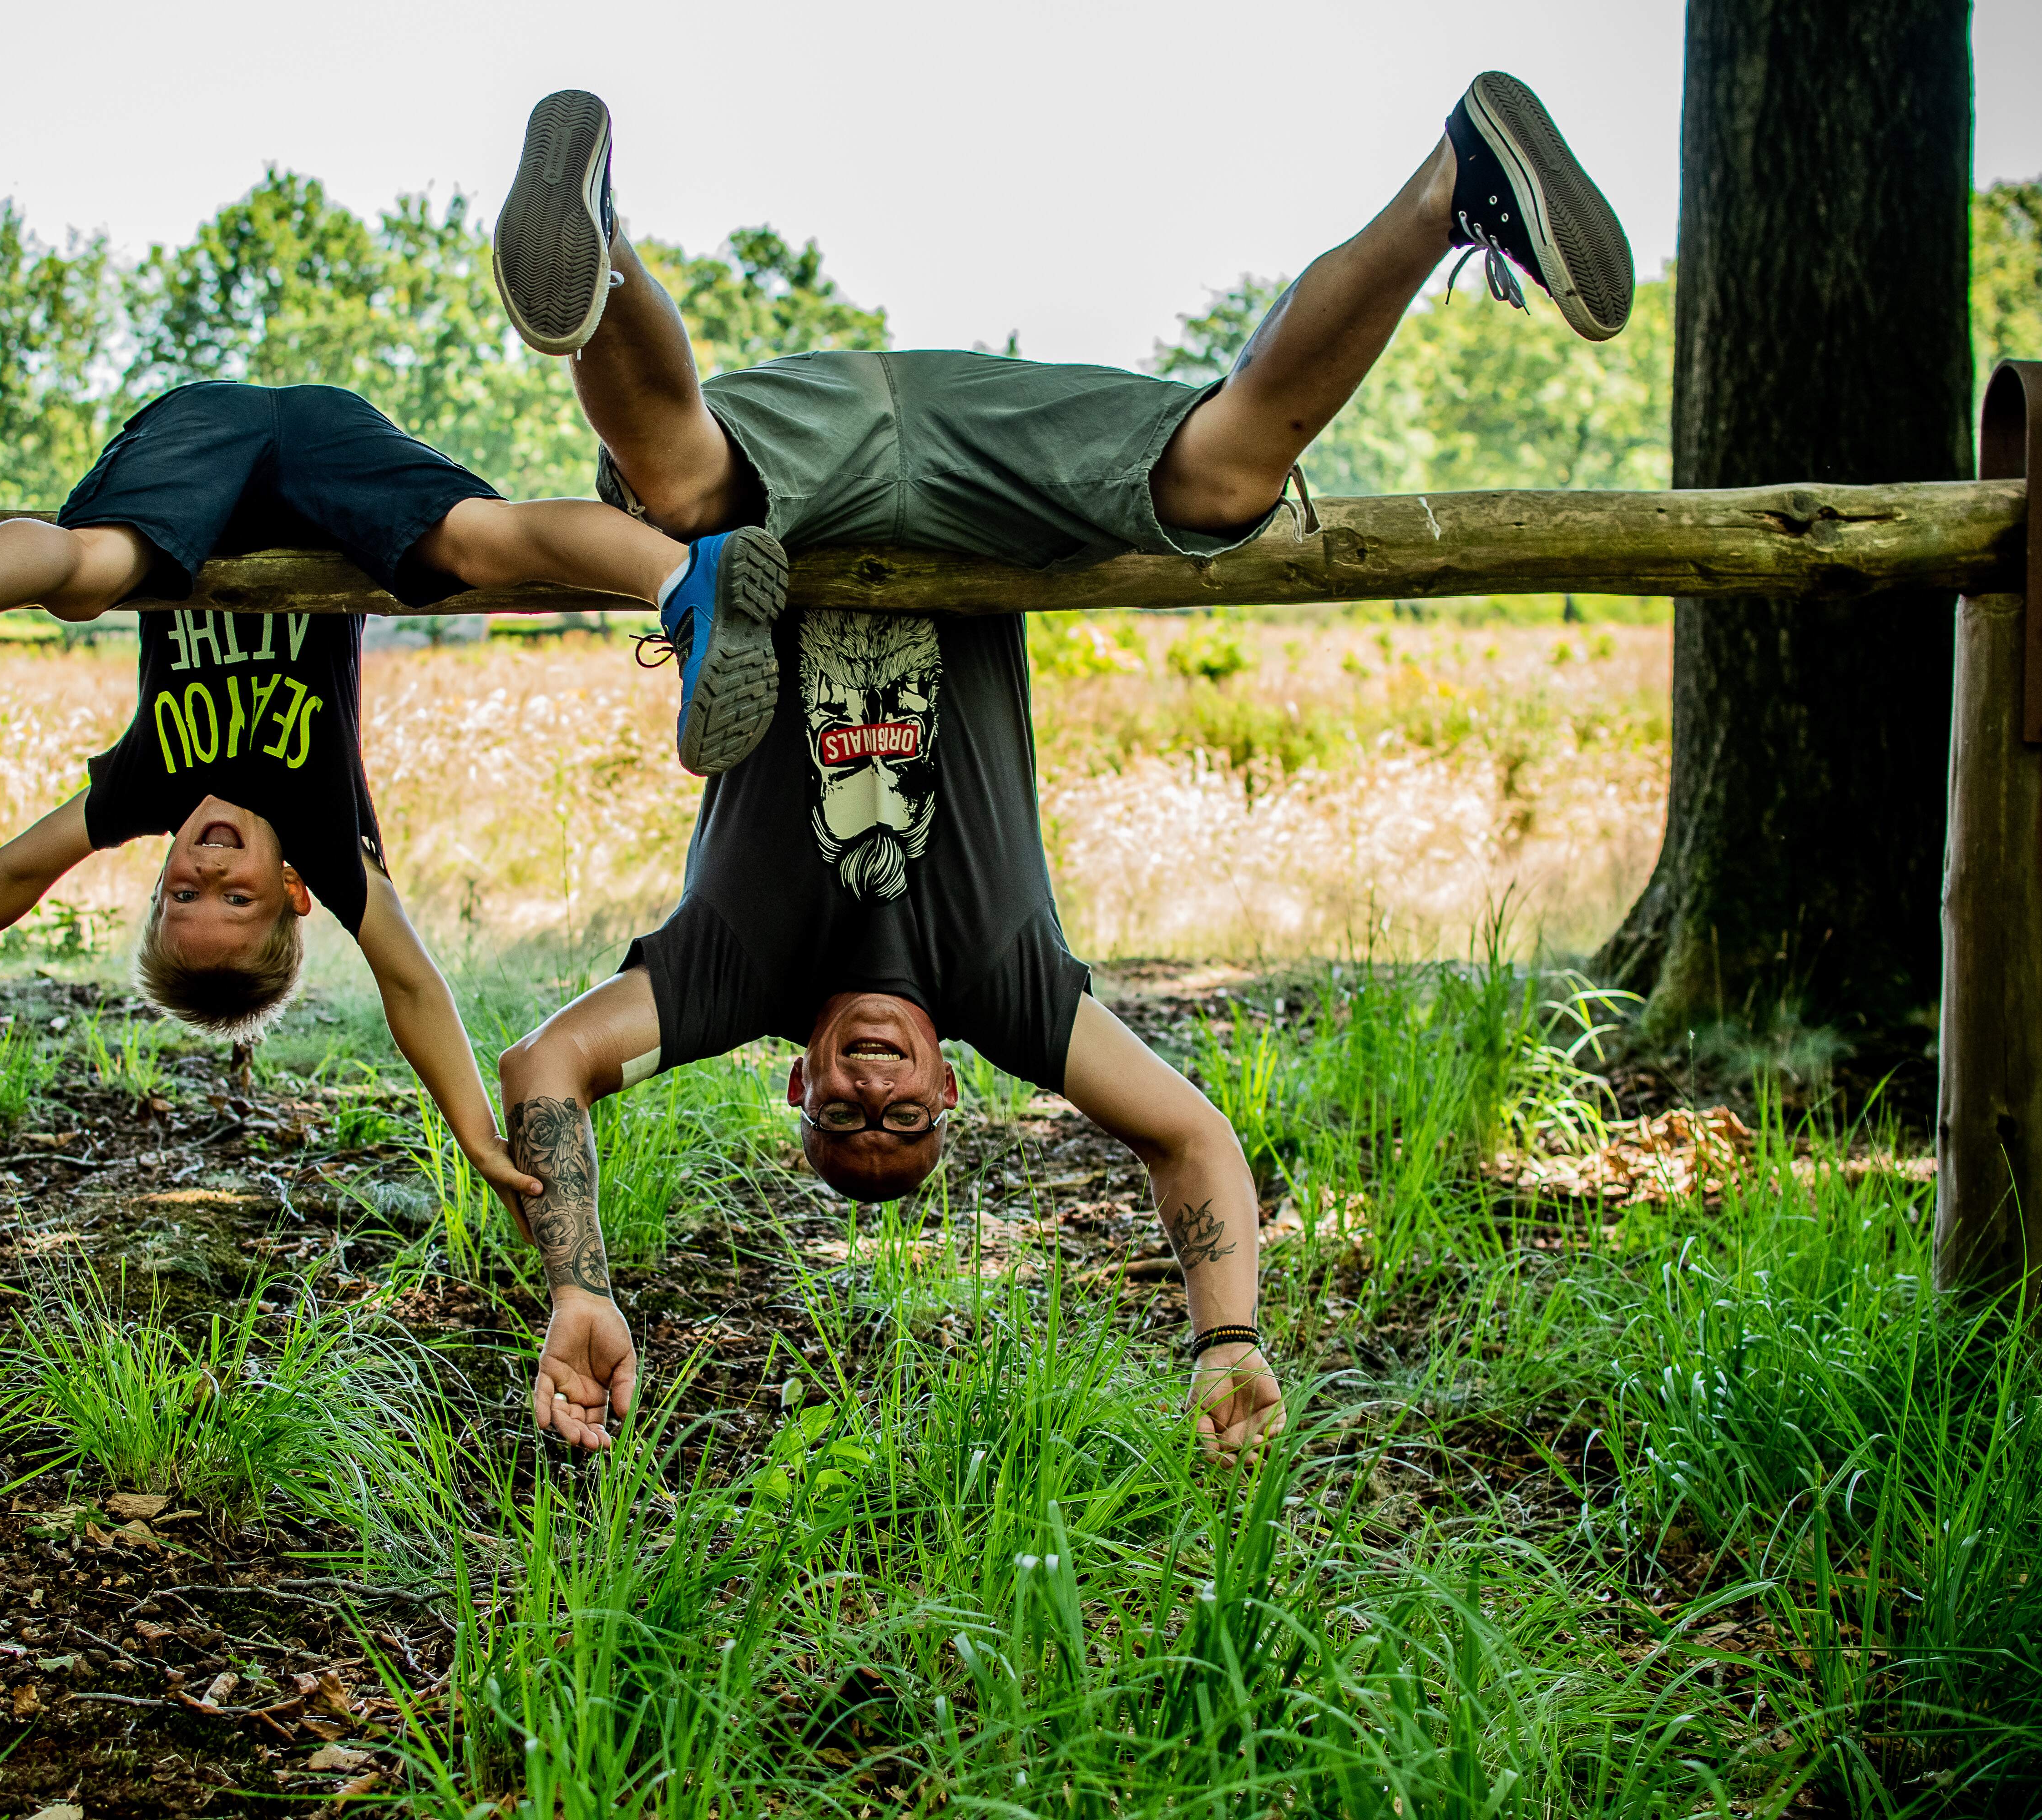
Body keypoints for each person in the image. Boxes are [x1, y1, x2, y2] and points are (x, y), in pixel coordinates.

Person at [484, 76, 1631, 1457]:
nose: (872, 1098)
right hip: (994, 478)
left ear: (795, 1086)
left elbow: (545, 1063)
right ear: (954, 1091)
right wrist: (1226, 1337)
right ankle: (1457, 183)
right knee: (1222, 483)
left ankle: (599, 238)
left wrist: (579, 1286)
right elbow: (1192, 1138)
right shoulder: (1009, 993)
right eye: (902, 1125)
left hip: (789, 478)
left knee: (676, 485)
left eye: (843, 1120)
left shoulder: (733, 978)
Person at [0, 379, 790, 1198]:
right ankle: (687, 584)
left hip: (199, 432)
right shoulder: (323, 833)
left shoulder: (152, 783)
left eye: (181, 893)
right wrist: (476, 1136)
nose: (205, 870)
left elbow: (19, 873)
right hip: (327, 450)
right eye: (234, 901)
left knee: (94, 571)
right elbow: (412, 986)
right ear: (293, 892)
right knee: (475, 546)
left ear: (159, 877)